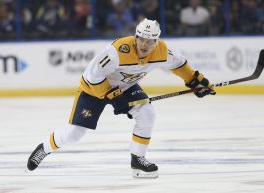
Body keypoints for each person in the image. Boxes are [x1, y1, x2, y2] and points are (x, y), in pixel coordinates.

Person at [27, 18, 216, 178]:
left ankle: (137, 159)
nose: (144, 45)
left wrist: (196, 82)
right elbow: (92, 76)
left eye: (150, 41)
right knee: (74, 134)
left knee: (147, 114)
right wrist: (114, 97)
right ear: (135, 36)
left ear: (157, 41)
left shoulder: (162, 51)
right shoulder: (117, 51)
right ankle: (44, 148)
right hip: (93, 89)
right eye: (141, 39)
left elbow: (180, 65)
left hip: (125, 87)